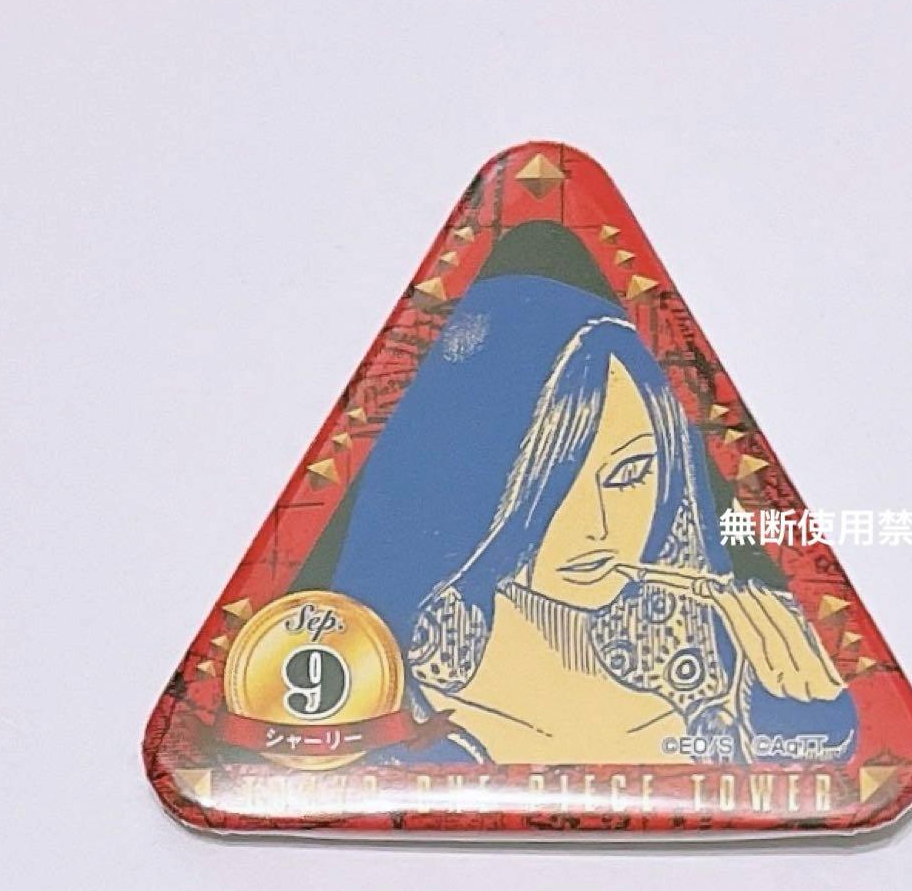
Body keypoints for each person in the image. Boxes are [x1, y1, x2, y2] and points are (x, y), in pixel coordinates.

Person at [329, 223, 857, 766]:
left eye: (629, 475)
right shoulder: (395, 721)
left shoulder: (705, 712)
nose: (599, 527)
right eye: (554, 487)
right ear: (478, 490)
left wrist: (802, 728)